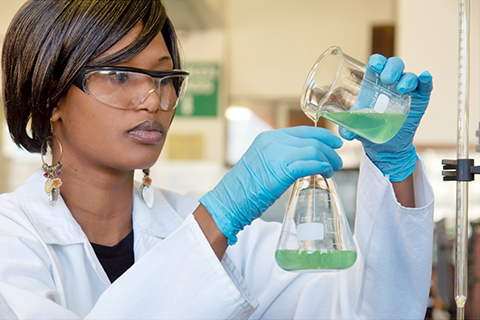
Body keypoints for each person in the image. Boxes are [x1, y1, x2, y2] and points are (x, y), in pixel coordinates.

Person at [0, 0, 434, 319]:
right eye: (119, 74)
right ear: (51, 95)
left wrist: (394, 169)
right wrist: (218, 216)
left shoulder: (225, 237)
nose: (154, 98)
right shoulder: (12, 238)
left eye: (164, 77)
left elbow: (372, 311)